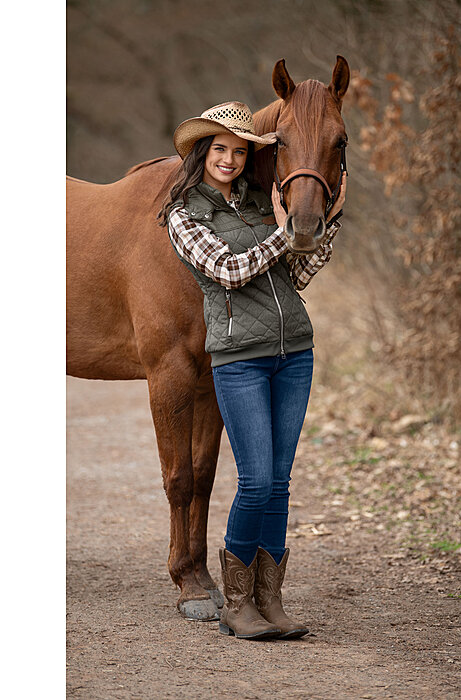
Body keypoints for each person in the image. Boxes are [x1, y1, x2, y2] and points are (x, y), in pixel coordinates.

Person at [158, 102, 345, 640]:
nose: (230, 159)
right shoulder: (184, 214)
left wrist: (321, 228)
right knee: (257, 481)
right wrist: (284, 234)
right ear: (202, 152)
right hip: (240, 358)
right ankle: (236, 602)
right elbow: (229, 271)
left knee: (281, 485)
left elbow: (299, 274)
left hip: (295, 354)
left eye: (240, 151)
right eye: (220, 149)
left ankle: (270, 599)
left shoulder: (263, 203)